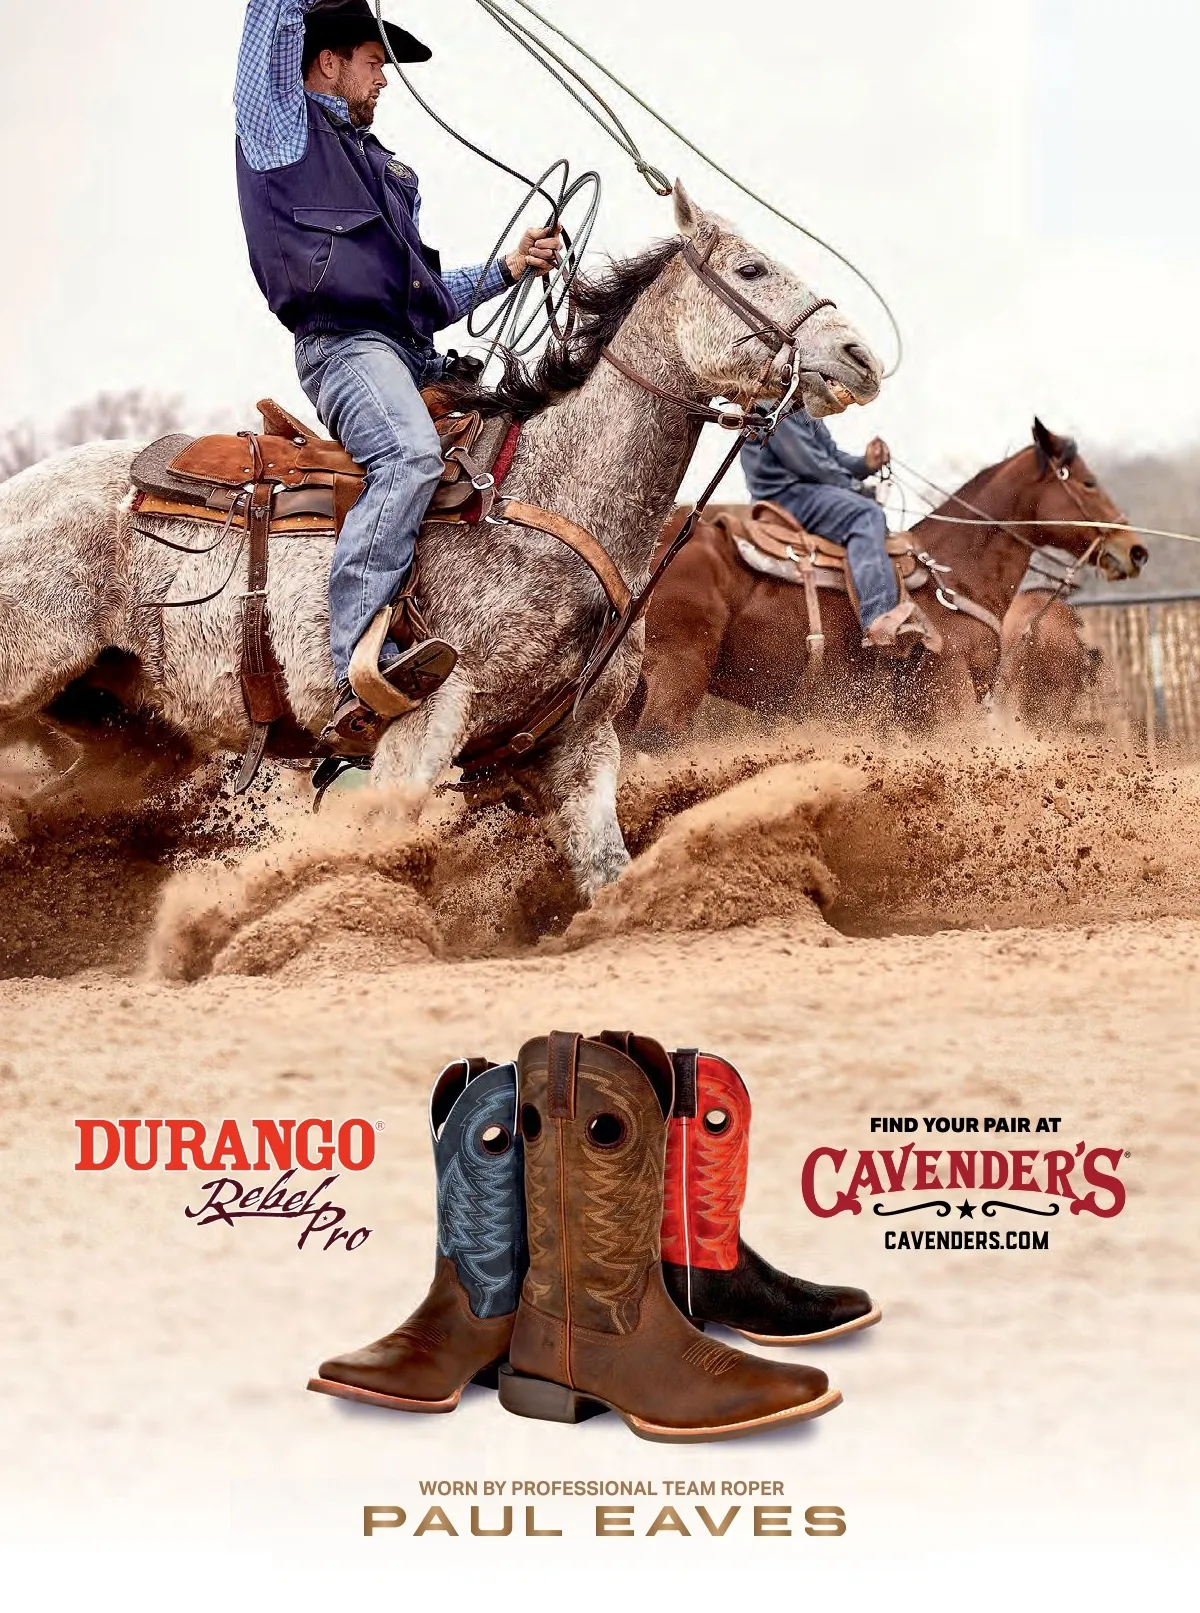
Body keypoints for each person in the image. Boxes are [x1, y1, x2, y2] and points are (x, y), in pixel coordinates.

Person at [234, 0, 562, 752]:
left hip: (407, 350)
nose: (385, 79)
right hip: (345, 349)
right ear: (327, 62)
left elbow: (425, 296)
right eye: (374, 62)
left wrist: (511, 268)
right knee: (410, 455)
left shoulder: (382, 170)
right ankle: (354, 668)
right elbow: (268, 16)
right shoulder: (282, 131)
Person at [741, 410, 937, 654]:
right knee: (866, 514)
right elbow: (810, 464)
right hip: (787, 495)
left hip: (808, 491)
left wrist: (865, 464)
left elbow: (830, 457)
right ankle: (879, 617)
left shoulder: (802, 408)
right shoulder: (774, 406)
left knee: (867, 512)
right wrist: (861, 490)